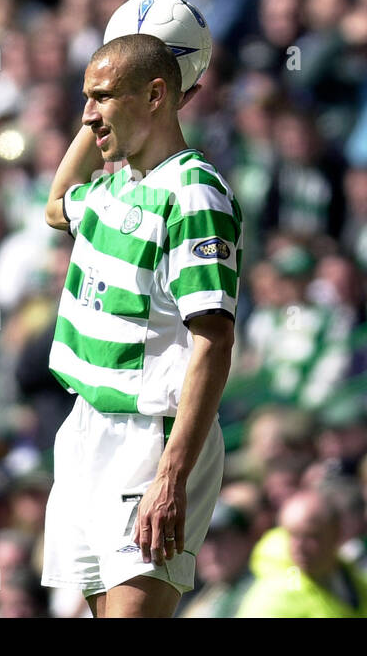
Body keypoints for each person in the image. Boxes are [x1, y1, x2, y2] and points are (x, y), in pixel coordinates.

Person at [40, 34, 242, 618]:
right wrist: (101, 119)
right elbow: (55, 205)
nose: (86, 113)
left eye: (102, 96)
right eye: (86, 97)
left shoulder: (194, 192)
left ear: (156, 95)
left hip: (150, 437)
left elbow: (215, 340)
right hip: (87, 426)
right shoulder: (112, 187)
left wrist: (171, 476)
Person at [236, 490, 367, 618]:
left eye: (310, 536)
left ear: (337, 532)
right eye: (292, 535)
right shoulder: (271, 597)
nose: (299, 546)